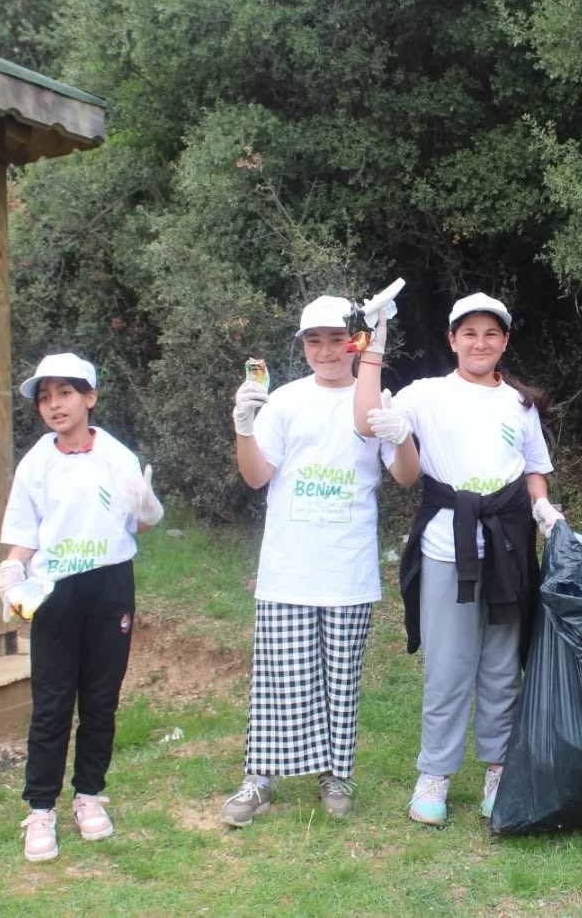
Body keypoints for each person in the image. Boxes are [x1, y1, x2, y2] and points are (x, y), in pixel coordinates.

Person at [353, 291, 563, 826]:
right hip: (448, 548)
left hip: (509, 546)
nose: (479, 342)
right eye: (468, 333)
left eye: (491, 333)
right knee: (448, 668)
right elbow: (372, 431)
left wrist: (541, 506)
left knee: (500, 666)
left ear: (505, 341)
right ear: (452, 340)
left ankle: (498, 769)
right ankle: (435, 774)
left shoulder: (519, 403)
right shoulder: (426, 395)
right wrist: (375, 351)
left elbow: (533, 466)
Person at [219, 295, 419, 827]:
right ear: (303, 346)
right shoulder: (284, 400)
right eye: (314, 340)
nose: (326, 351)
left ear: (355, 343)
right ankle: (259, 779)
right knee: (278, 677)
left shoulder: (373, 396)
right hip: (287, 566)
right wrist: (243, 426)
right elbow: (257, 476)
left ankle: (336, 772)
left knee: (340, 680)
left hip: (347, 567)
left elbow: (405, 475)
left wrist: (400, 435)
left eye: (336, 339)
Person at [0, 352, 165, 864]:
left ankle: (89, 796)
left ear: (90, 398)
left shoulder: (117, 455)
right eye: (45, 397)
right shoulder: (36, 463)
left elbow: (141, 520)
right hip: (54, 590)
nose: (54, 405)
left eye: (65, 394)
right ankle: (41, 808)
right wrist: (11, 573)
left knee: (100, 697)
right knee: (51, 702)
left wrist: (149, 508)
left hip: (111, 584)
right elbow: (22, 534)